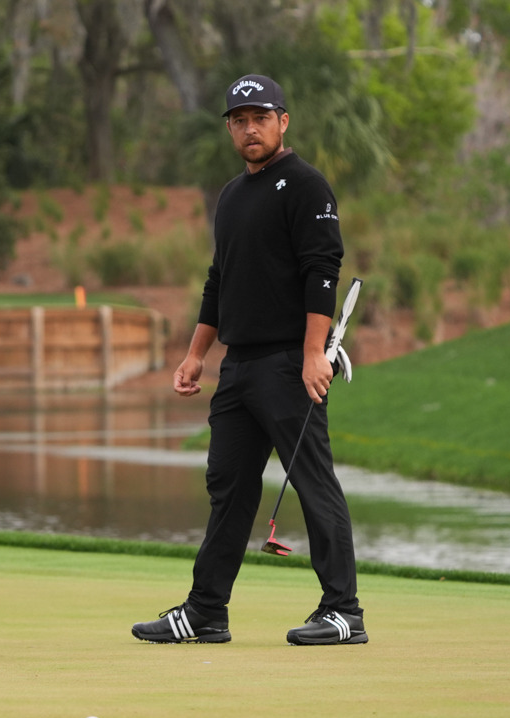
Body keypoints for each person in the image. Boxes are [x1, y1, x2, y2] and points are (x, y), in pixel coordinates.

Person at [132, 74, 366, 646]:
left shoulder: (308, 186)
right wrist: (195, 355)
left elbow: (322, 272)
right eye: (239, 120)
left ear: (283, 121)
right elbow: (221, 279)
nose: (249, 128)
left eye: (260, 117)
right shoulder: (233, 195)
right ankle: (206, 611)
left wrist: (316, 354)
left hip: (290, 363)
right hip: (237, 368)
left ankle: (343, 612)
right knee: (228, 488)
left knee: (313, 484)